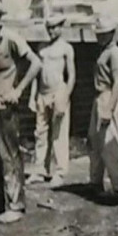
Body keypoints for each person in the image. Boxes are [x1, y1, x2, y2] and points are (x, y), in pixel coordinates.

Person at [0, 0, 42, 224]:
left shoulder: (11, 38)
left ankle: (15, 205)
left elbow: (36, 63)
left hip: (5, 104)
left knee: (9, 155)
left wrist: (19, 90)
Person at [27, 14, 75, 188]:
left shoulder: (66, 48)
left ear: (61, 27)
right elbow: (36, 74)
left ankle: (60, 171)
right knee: (40, 133)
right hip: (42, 93)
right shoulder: (42, 48)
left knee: (59, 134)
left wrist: (65, 96)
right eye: (49, 28)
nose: (52, 31)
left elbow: (71, 76)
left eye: (55, 27)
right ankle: (40, 169)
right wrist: (32, 96)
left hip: (58, 92)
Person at [88, 17, 118, 199]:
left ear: (111, 33)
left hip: (108, 96)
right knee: (95, 142)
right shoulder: (103, 52)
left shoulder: (115, 53)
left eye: (103, 33)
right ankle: (95, 182)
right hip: (99, 96)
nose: (100, 37)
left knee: (110, 144)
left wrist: (109, 107)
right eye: (98, 34)